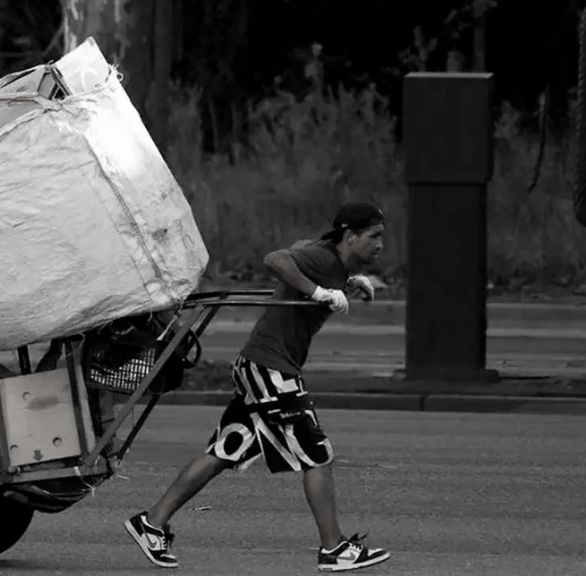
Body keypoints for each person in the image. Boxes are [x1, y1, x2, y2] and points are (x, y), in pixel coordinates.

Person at [124, 203, 393, 573]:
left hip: (260, 365)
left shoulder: (330, 261)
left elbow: (302, 257)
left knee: (225, 449)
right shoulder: (321, 256)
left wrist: (344, 284)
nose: (381, 244)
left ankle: (152, 523)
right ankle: (334, 549)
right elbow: (276, 259)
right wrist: (318, 292)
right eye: (374, 236)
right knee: (317, 455)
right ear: (350, 236)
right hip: (272, 370)